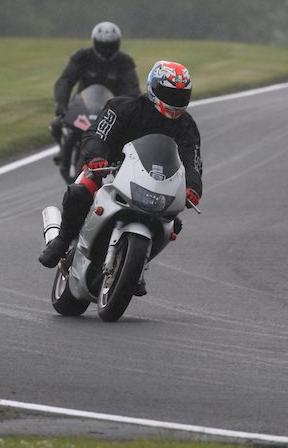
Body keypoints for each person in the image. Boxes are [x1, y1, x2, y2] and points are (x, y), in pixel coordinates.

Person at [39, 60, 203, 296]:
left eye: (181, 95)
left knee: (172, 224)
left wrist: (193, 187)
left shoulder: (186, 125)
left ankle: (138, 265)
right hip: (110, 168)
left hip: (156, 181)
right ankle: (62, 240)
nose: (176, 100)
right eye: (170, 94)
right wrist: (96, 156)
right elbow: (98, 132)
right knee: (80, 191)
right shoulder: (124, 107)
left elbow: (192, 158)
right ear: (154, 88)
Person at [50, 21, 141, 163]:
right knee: (57, 124)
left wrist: (130, 110)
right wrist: (61, 103)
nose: (106, 50)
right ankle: (63, 149)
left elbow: (132, 89)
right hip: (82, 106)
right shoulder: (82, 57)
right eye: (103, 46)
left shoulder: (124, 61)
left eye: (110, 46)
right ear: (95, 42)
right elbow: (65, 81)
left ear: (117, 44)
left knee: (128, 135)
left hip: (111, 110)